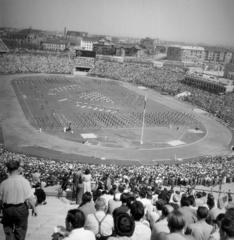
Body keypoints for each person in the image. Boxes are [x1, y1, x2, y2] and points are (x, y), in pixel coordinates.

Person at [0, 160, 37, 240]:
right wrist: (34, 208)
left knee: (8, 231)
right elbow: (30, 198)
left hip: (7, 209)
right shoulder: (24, 182)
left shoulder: (3, 183)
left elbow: (0, 199)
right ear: (18, 169)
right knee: (20, 231)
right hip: (21, 209)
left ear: (8, 170)